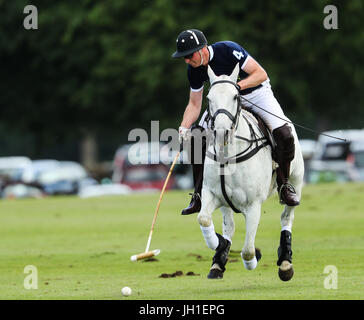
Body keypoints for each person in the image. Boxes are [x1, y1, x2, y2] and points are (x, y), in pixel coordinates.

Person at [172, 29, 300, 215]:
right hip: (223, 100)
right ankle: (198, 195)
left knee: (284, 134)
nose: (187, 60)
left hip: (256, 94)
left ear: (202, 49)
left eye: (189, 55)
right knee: (196, 138)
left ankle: (284, 185)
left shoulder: (228, 50)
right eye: (183, 57)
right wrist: (184, 127)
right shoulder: (194, 68)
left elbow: (260, 73)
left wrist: (236, 87)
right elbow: (194, 104)